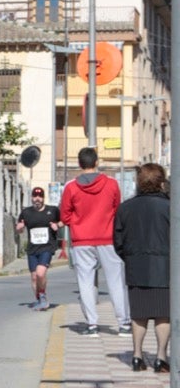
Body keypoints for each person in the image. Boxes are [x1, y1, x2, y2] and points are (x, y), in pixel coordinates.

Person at [59, 147, 130, 335]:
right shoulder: (112, 184)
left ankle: (92, 325)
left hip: (82, 239)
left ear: (79, 163)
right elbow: (117, 210)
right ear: (96, 162)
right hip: (108, 238)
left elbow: (65, 216)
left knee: (85, 282)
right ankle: (124, 324)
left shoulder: (71, 187)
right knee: (116, 281)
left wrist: (77, 223)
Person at [114, 164, 170, 372]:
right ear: (161, 182)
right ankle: (161, 357)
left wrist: (129, 257)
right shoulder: (170, 207)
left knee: (139, 313)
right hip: (165, 268)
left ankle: (137, 356)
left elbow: (117, 240)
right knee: (163, 314)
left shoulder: (125, 208)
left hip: (135, 266)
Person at [15, 186, 62, 310]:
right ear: (31, 198)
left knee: (41, 273)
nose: (37, 199)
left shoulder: (53, 210)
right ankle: (39, 298)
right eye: (35, 196)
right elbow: (19, 229)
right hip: (32, 249)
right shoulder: (26, 212)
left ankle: (42, 297)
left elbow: (63, 221)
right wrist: (19, 228)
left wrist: (57, 225)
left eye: (40, 196)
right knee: (34, 276)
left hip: (47, 247)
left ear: (43, 198)